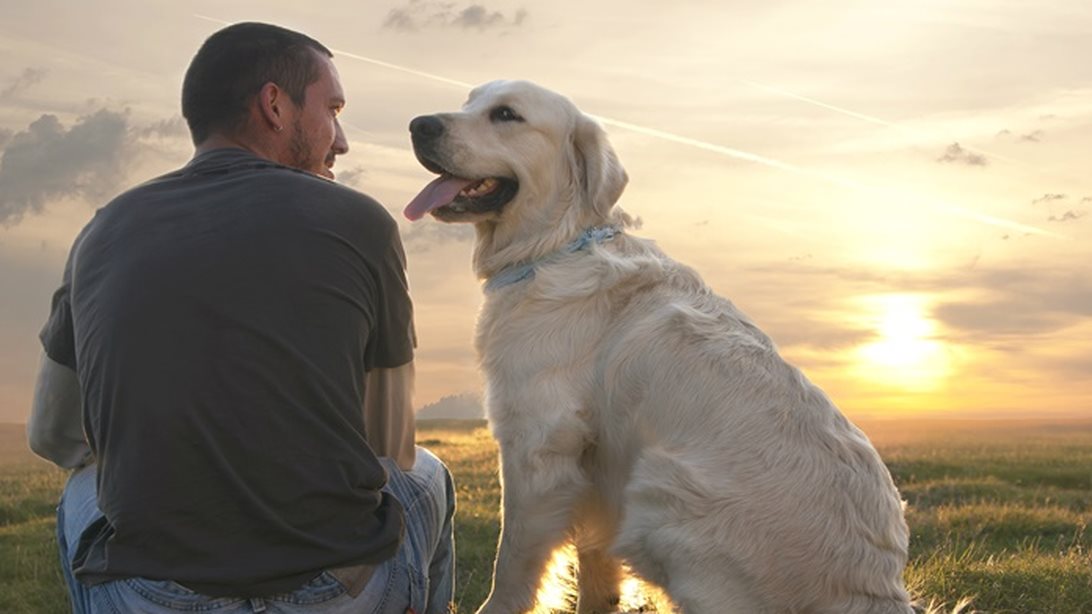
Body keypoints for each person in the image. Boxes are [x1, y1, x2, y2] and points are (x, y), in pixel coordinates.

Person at [26, 22, 455, 614]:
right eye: (332, 109)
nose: (343, 141)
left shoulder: (103, 229)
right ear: (275, 105)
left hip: (152, 594)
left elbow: (52, 436)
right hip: (333, 593)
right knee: (428, 475)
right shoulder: (361, 221)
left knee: (83, 488)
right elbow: (389, 440)